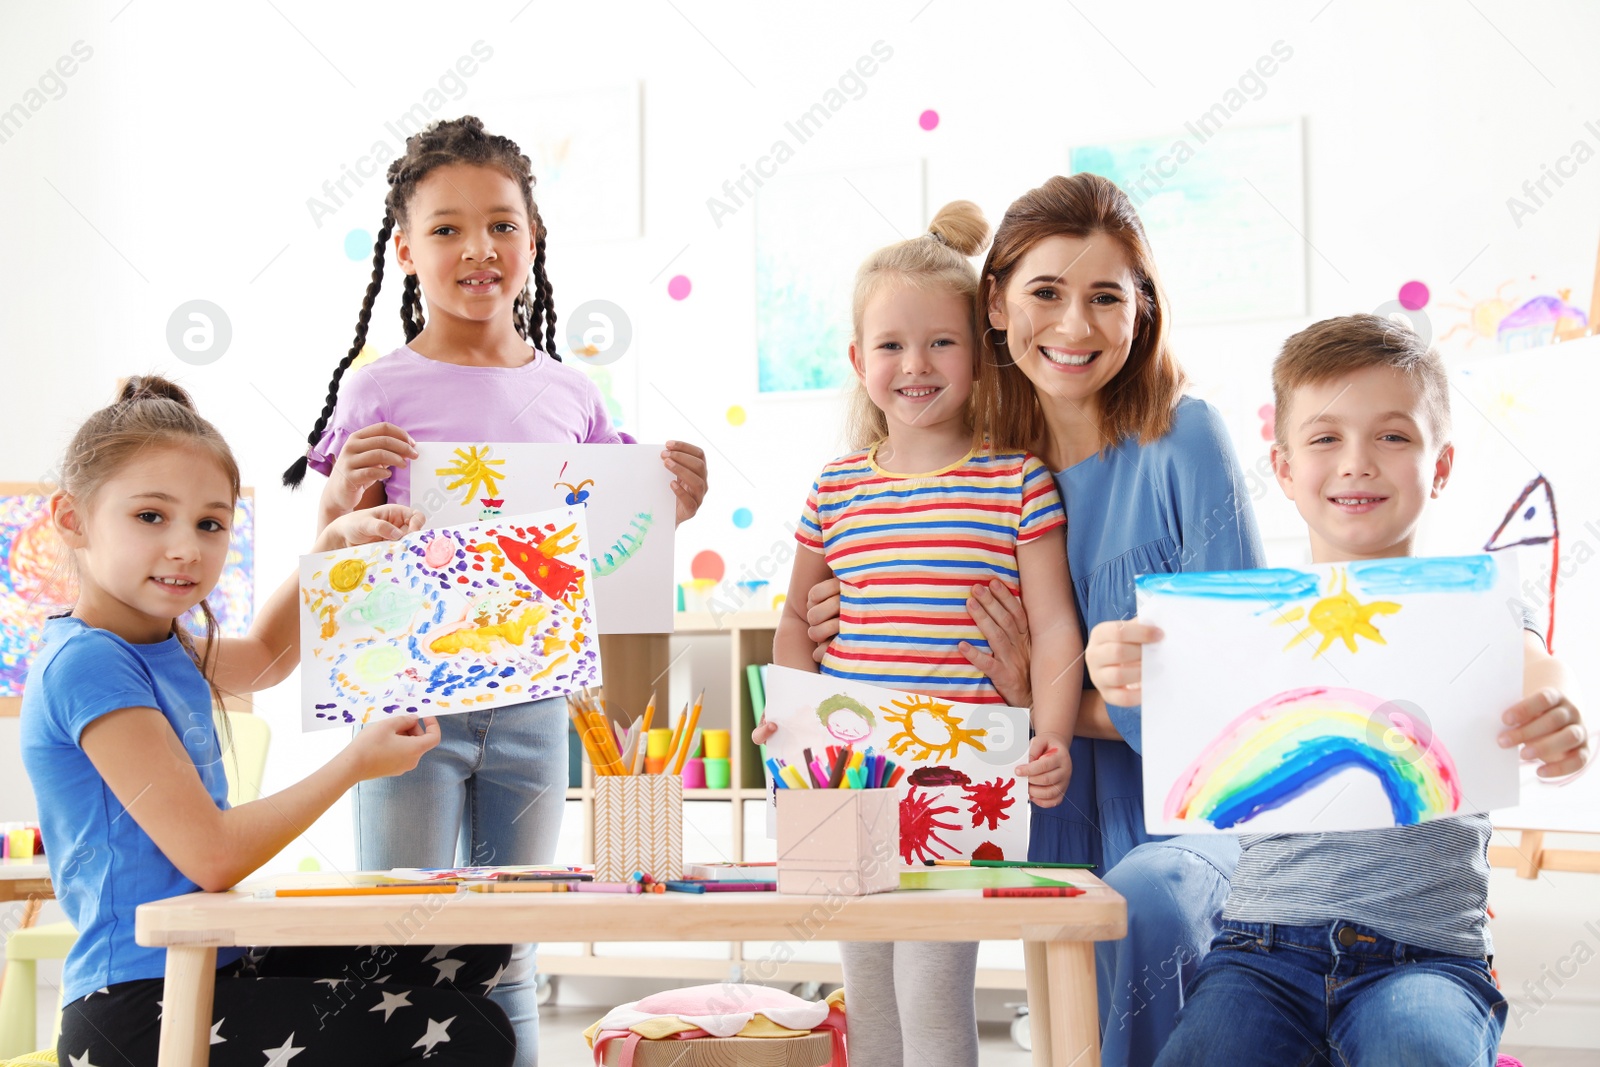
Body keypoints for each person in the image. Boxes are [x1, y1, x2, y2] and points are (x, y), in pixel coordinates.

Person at [804, 174, 1267, 1065]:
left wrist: (1039, 695)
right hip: (1038, 793)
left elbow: (1239, 708)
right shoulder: (987, 461)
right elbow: (889, 585)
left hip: (1181, 809)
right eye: (1046, 293)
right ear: (997, 304)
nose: (1076, 325)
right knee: (971, 991)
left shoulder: (1187, 437)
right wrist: (831, 612)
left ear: (1144, 308)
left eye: (1106, 296)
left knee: (1143, 905)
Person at [281, 116, 708, 1063]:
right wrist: (346, 498)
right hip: (408, 710)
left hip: (535, 704)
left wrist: (672, 504)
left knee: (515, 930)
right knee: (400, 921)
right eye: (445, 228)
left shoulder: (574, 393)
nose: (478, 248)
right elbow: (328, 575)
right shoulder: (375, 389)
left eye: (502, 224)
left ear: (535, 237)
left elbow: (612, 544)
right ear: (404, 251)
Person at [1088, 314, 1593, 1064]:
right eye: (1326, 438)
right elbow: (1143, 677)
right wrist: (1111, 658)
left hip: (1427, 955)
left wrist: (1559, 717)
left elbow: (1538, 671)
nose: (1357, 462)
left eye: (1392, 436)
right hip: (1261, 949)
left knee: (1421, 1049)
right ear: (1285, 468)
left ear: (1442, 464)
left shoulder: (1476, 606)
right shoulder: (1237, 618)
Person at [28, 376, 515, 1067]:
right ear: (72, 519)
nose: (185, 548)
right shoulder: (88, 665)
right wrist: (355, 763)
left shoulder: (158, 642)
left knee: (464, 937)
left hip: (209, 958)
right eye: (150, 517)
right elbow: (213, 855)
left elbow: (265, 659)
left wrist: (334, 544)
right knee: (472, 1032)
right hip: (134, 1005)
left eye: (210, 523)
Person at [753, 201, 1084, 1067]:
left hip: (963, 773)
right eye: (891, 345)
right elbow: (797, 619)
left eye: (941, 342)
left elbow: (1054, 626)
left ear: (980, 354)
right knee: (866, 1000)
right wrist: (789, 715)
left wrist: (1050, 733)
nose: (915, 364)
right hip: (838, 778)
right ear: (859, 361)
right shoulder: (833, 490)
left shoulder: (1018, 481)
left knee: (930, 996)